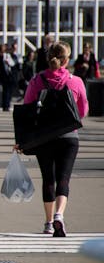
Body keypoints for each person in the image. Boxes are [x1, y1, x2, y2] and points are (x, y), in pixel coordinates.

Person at [19, 41, 88, 236]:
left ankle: (48, 223)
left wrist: (23, 138)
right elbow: (83, 110)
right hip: (69, 137)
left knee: (48, 178)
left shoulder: (37, 80)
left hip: (44, 137)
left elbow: (27, 108)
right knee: (64, 178)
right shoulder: (76, 81)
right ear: (67, 60)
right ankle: (59, 214)